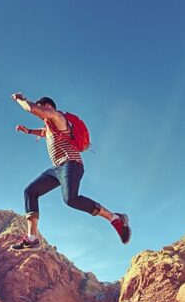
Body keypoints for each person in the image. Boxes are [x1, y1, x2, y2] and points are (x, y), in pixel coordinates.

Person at [10, 92, 131, 250]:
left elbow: (32, 109)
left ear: (47, 107)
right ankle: (32, 238)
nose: (40, 115)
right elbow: (43, 132)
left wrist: (21, 99)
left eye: (42, 109)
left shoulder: (57, 116)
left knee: (71, 199)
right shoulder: (49, 127)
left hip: (71, 164)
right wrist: (28, 131)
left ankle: (115, 218)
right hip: (57, 169)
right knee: (30, 191)